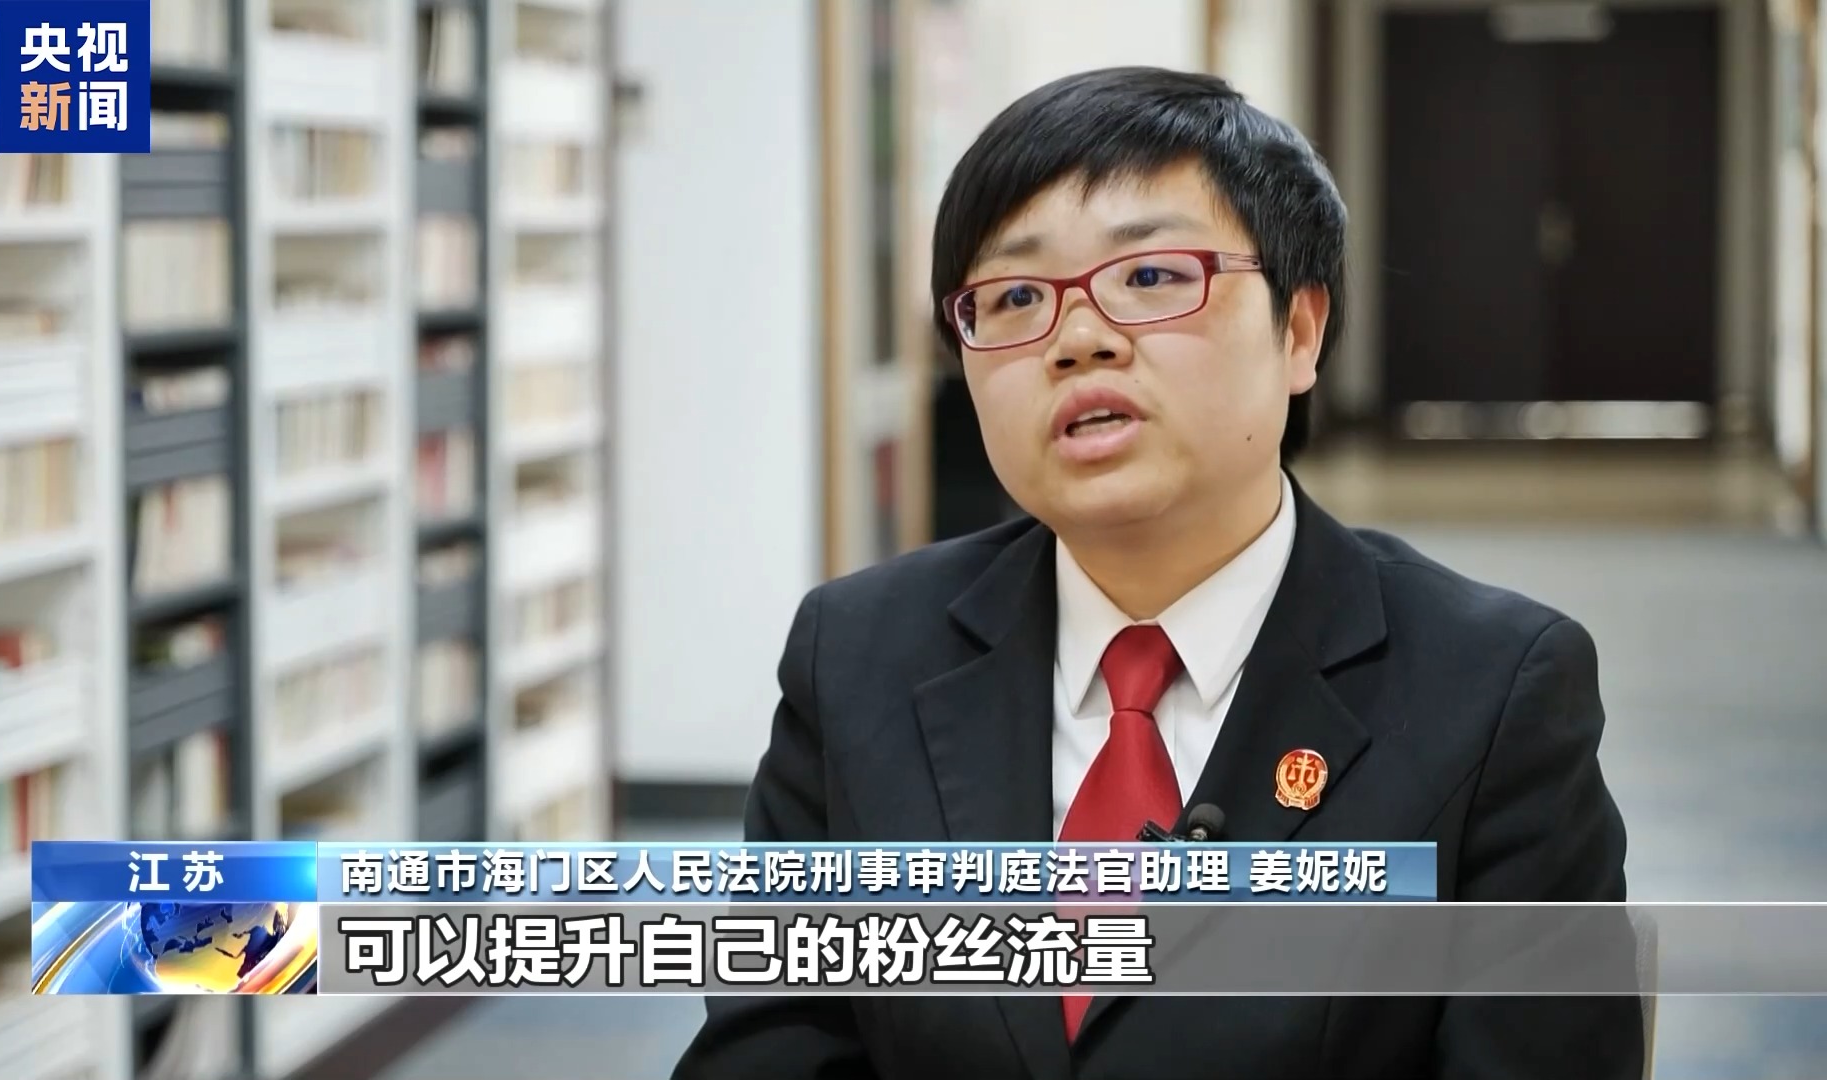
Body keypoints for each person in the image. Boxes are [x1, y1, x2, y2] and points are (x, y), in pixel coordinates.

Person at [673, 67, 1642, 1079]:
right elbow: (769, 1049)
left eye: (1149, 278)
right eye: (1015, 297)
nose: (1079, 341)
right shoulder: (858, 654)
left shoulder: (1492, 691)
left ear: (1299, 331)